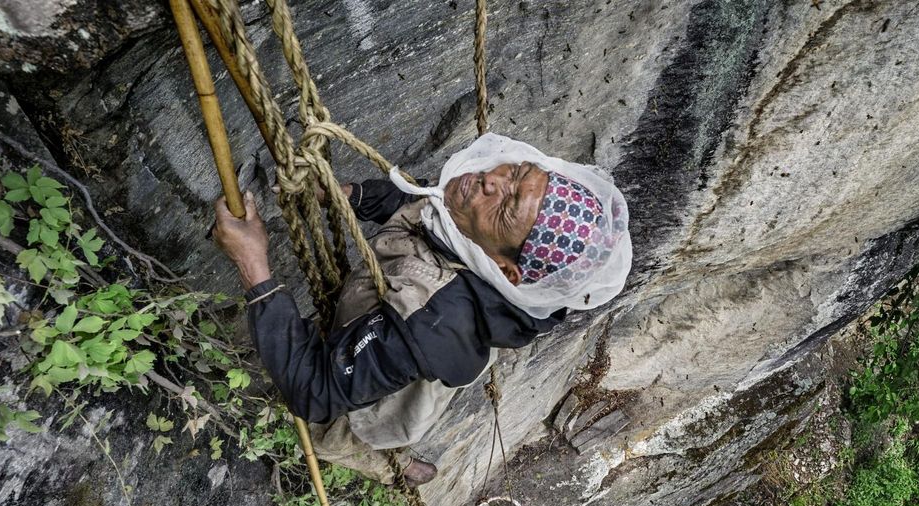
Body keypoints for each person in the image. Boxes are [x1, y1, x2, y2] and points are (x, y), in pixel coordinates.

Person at [213, 134, 631, 486]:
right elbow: (421, 204)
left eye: (507, 205)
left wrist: (253, 265)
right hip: (399, 341)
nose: (492, 179)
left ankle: (393, 468)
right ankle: (399, 456)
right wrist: (348, 196)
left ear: (505, 270)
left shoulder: (432, 324)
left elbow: (314, 391)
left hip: (398, 367)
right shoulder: (472, 220)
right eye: (518, 172)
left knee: (339, 435)